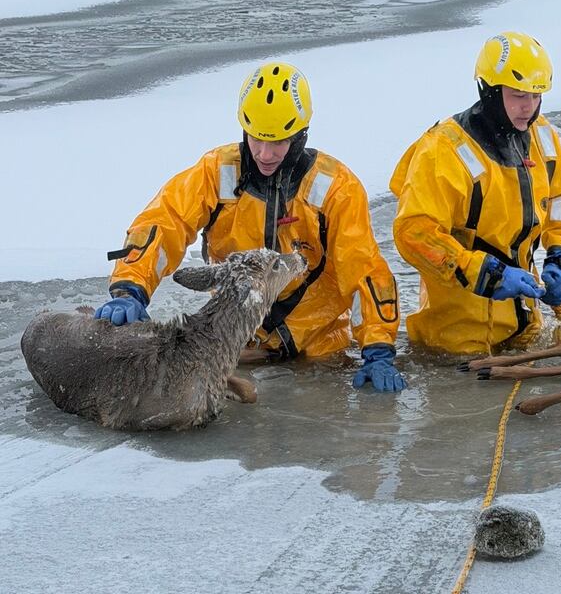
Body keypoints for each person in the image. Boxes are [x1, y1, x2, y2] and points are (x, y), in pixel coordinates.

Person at [95, 62, 406, 392]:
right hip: (238, 343)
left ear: (300, 136)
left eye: (278, 143)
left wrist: (377, 348)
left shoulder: (336, 188)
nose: (264, 153)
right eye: (256, 139)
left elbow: (364, 270)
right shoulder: (215, 171)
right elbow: (164, 222)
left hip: (319, 350)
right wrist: (131, 287)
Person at [390, 31, 561, 354]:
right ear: (490, 91)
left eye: (536, 96)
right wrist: (482, 272)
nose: (530, 107)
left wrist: (560, 254)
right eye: (518, 95)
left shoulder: (542, 137)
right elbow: (414, 232)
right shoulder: (443, 151)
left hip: (525, 322)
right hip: (455, 340)